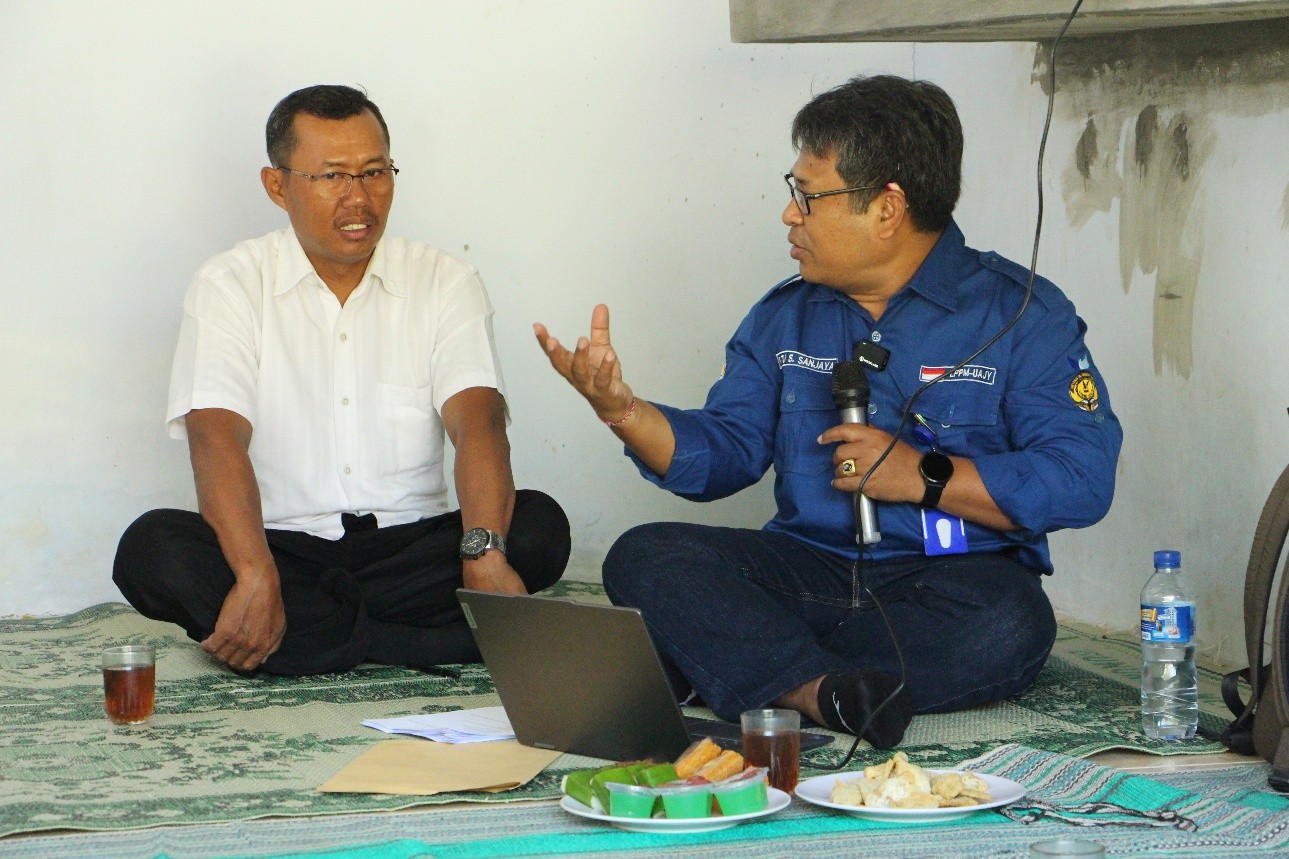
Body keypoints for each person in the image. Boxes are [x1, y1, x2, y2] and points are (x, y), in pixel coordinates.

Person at [535, 75, 1121, 748]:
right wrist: (622, 409)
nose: (789, 216)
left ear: (886, 208)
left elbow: (1080, 477)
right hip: (804, 568)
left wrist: (922, 476)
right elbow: (721, 456)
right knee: (645, 555)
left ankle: (746, 666)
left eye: (807, 197)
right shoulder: (786, 312)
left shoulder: (1020, 313)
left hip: (945, 584)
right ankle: (818, 690)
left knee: (1012, 624)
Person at [114, 84, 570, 676]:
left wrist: (482, 553)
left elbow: (477, 421)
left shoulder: (445, 280)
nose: (359, 198)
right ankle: (431, 642)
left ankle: (306, 643)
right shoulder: (229, 283)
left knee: (538, 527)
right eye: (333, 177)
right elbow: (215, 437)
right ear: (277, 186)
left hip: (412, 547)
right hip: (283, 549)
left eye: (375, 172)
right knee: (151, 550)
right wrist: (254, 574)